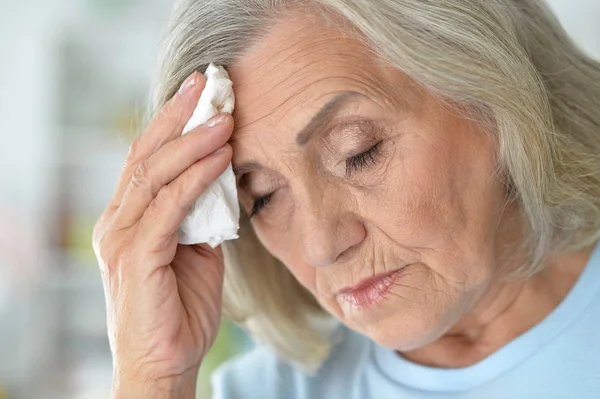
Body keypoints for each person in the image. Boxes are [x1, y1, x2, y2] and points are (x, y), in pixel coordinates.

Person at [92, 0, 600, 397]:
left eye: (359, 152)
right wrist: (152, 381)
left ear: (493, 95)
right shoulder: (265, 392)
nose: (319, 245)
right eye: (264, 197)